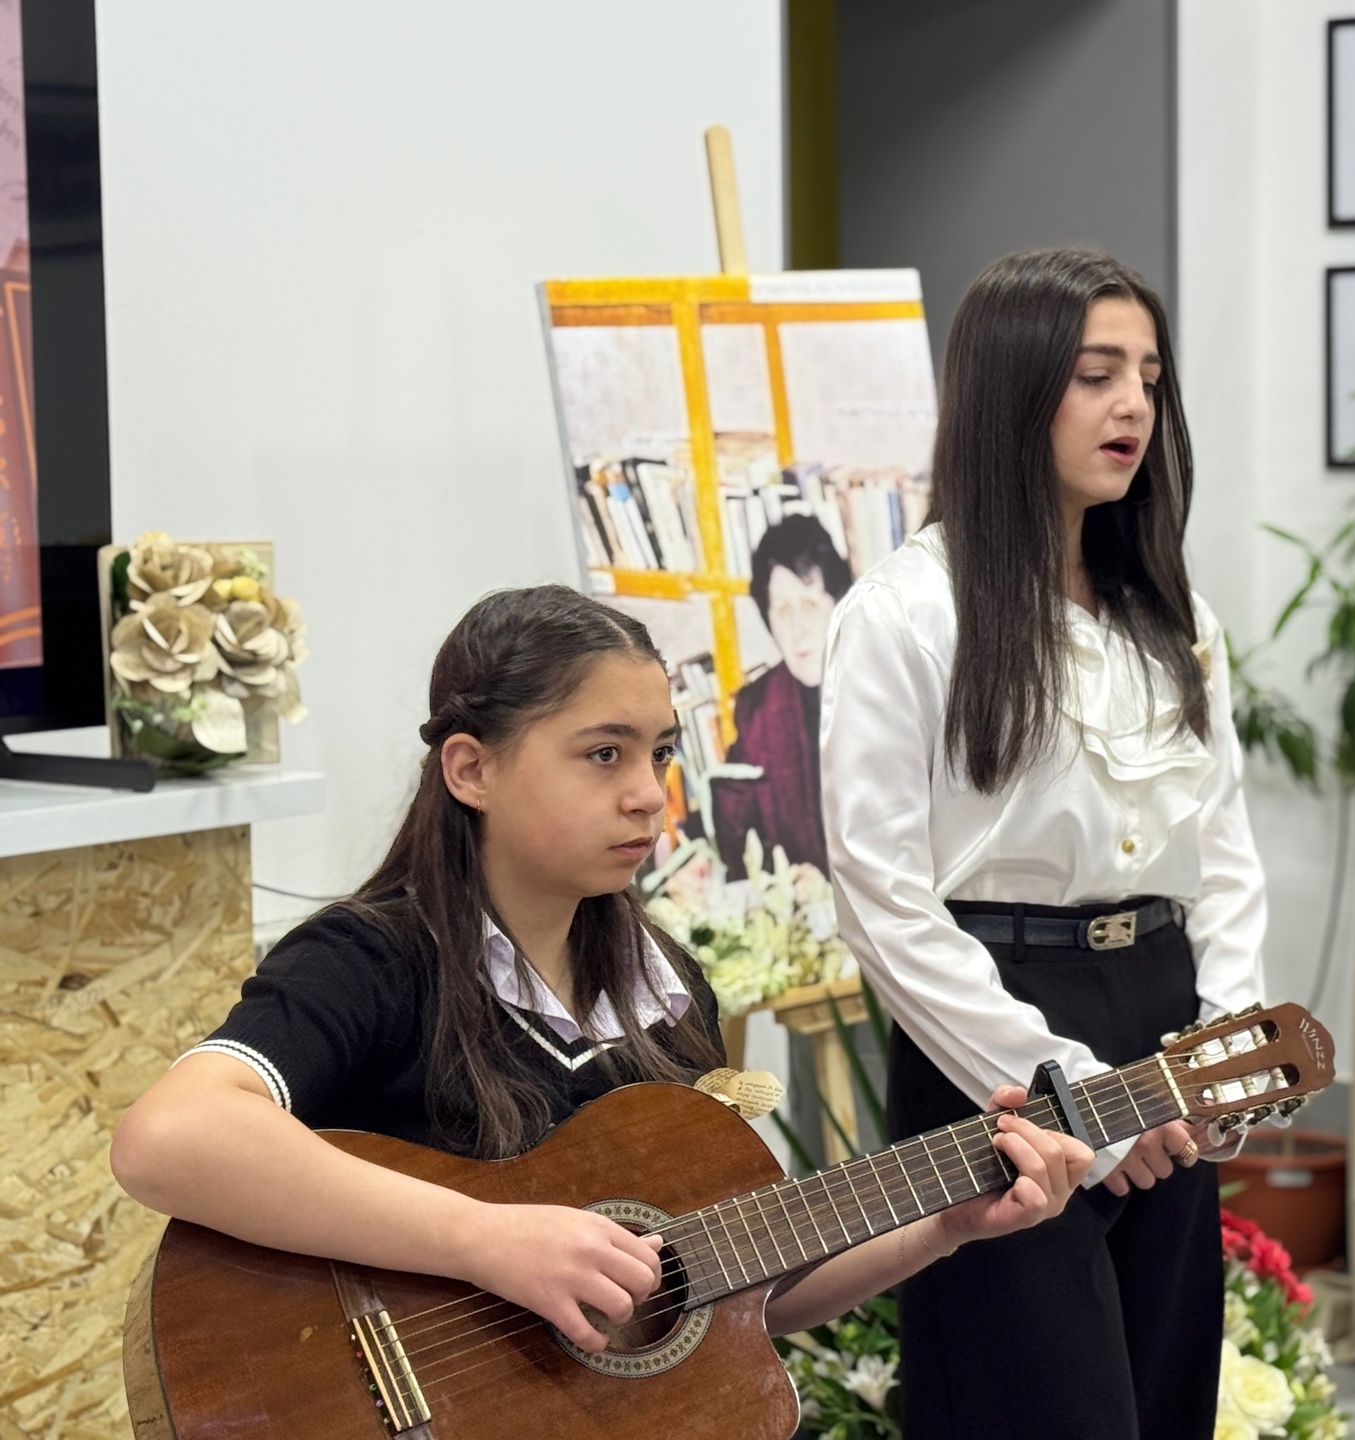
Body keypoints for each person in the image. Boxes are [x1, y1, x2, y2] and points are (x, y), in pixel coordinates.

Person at [110, 585, 1091, 1376]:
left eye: (659, 754)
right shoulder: (370, 960)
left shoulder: (667, 988)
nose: (648, 795)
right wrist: (484, 1240)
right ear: (470, 770)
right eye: (603, 754)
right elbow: (169, 1138)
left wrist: (943, 1225)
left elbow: (734, 1291)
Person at [820, 248, 1267, 1440]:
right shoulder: (907, 613)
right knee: (1032, 1405)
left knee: (1164, 1397)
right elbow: (879, 894)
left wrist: (1223, 1046)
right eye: (1096, 375)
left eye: (1150, 379)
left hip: (1165, 1014)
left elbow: (1223, 850)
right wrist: (1073, 1091)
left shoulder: (1174, 615)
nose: (1134, 407)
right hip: (997, 1039)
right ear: (1014, 389)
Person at [710, 513, 852, 877]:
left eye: (809, 605)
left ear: (839, 604)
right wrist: (703, 862)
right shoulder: (759, 706)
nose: (797, 629)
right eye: (782, 610)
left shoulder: (885, 686)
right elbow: (731, 823)